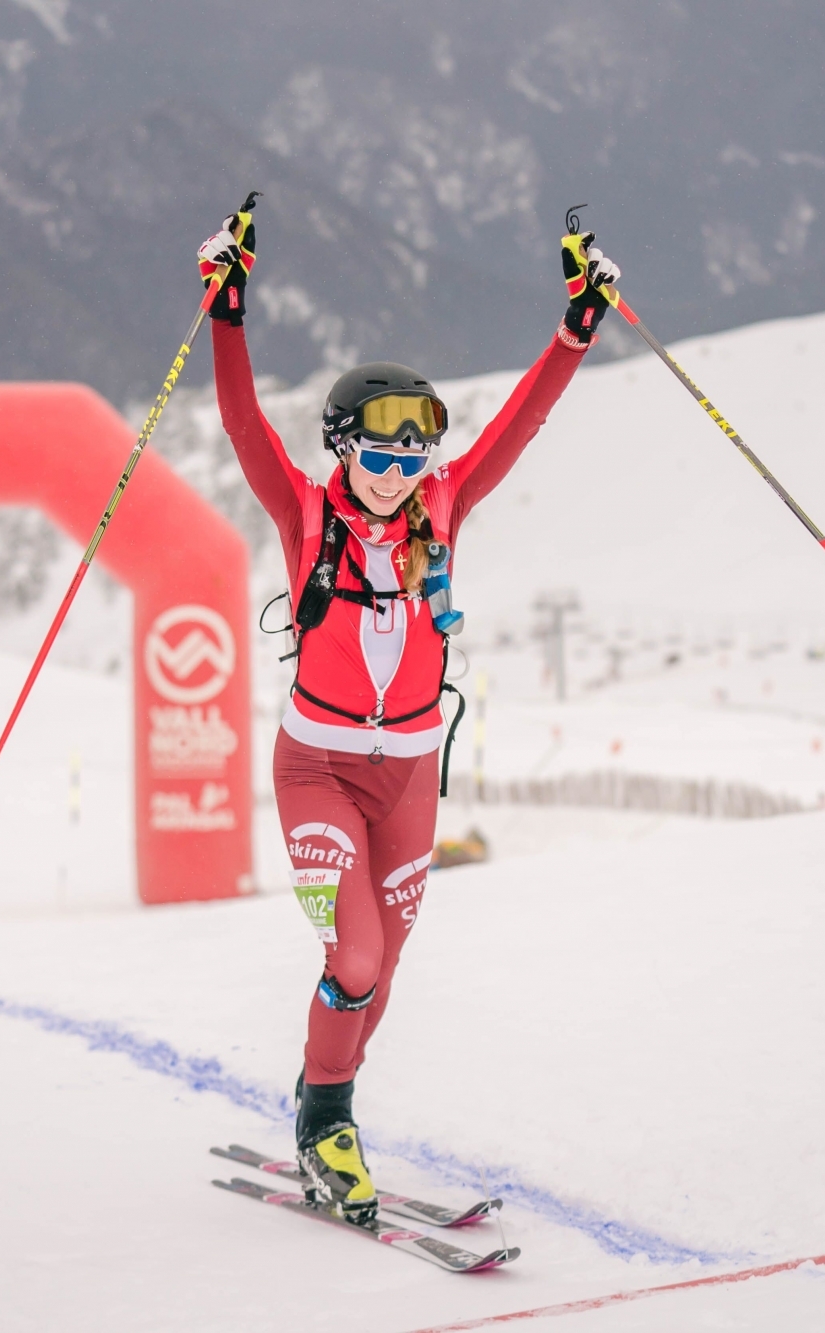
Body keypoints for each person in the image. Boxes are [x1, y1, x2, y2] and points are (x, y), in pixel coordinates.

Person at [201, 207, 618, 1222]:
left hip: (409, 778)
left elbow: (519, 421)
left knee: (380, 968)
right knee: (350, 959)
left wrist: (574, 328)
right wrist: (225, 310)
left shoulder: (442, 510)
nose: (397, 477)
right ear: (343, 450)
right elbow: (242, 422)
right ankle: (324, 1123)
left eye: (412, 460)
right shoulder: (304, 513)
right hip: (318, 770)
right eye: (378, 458)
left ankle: (322, 1089)